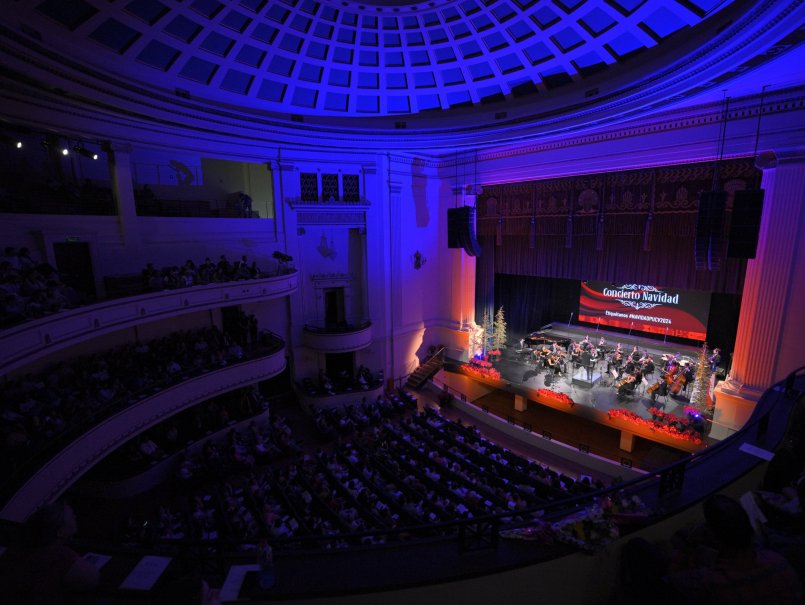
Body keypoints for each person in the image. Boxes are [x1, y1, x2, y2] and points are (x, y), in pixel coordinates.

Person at [0, 500, 100, 604]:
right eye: (72, 517)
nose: (75, 518)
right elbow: (92, 578)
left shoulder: (17, 550)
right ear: (60, 532)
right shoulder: (59, 556)